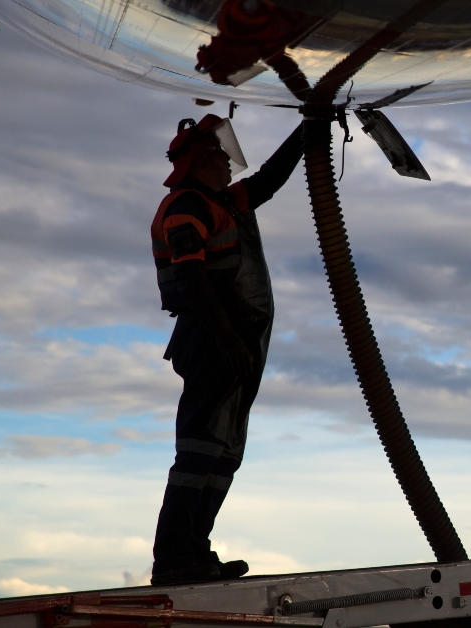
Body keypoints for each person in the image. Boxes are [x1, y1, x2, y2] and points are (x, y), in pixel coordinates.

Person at [149, 114, 303, 585]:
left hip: (239, 343)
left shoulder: (226, 202)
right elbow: (193, 281)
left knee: (223, 451)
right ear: (198, 160)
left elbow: (269, 181)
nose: (228, 160)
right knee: (198, 450)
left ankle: (197, 552)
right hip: (213, 338)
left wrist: (308, 130)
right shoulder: (186, 206)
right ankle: (174, 559)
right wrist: (227, 339)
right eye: (219, 152)